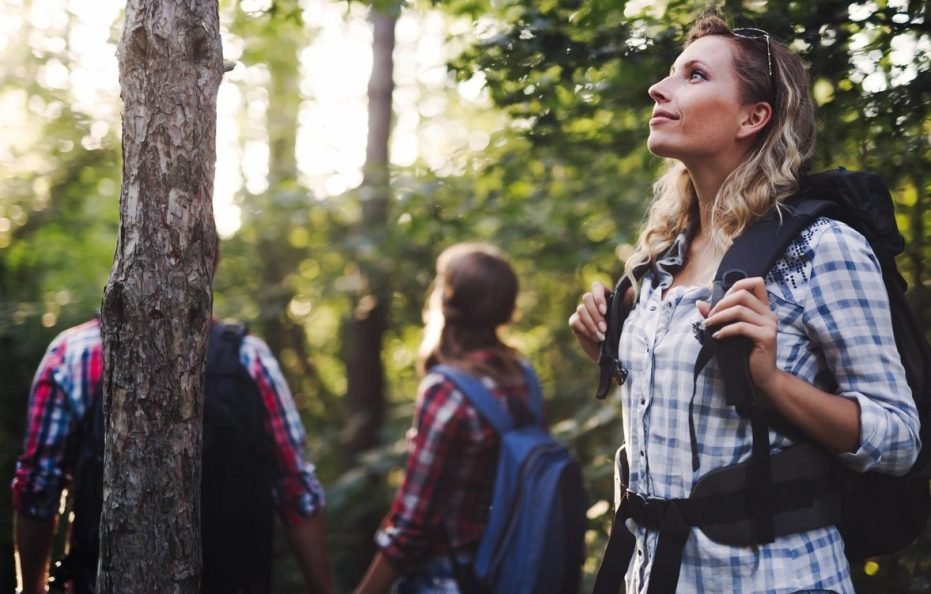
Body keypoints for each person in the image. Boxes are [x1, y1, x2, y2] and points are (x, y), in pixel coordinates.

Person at [568, 12, 921, 594]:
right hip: (652, 576)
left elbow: (898, 438)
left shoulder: (823, 249)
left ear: (754, 117)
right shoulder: (657, 262)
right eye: (669, 74)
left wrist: (774, 382)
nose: (660, 88)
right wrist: (612, 349)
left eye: (695, 75)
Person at [12, 315, 334, 594]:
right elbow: (296, 492)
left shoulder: (72, 355)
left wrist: (31, 589)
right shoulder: (249, 357)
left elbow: (37, 489)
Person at [354, 243, 537, 594]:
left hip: (447, 578)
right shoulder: (522, 378)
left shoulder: (447, 390)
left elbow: (411, 525)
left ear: (446, 304)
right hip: (512, 569)